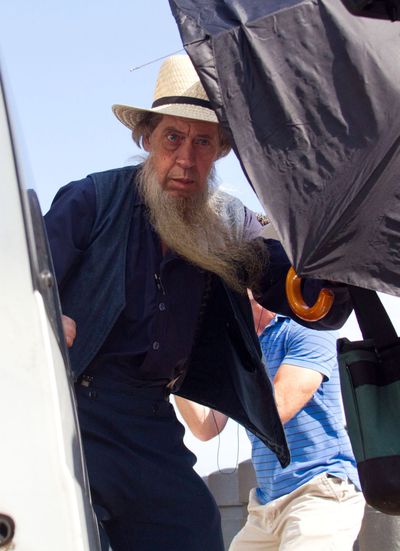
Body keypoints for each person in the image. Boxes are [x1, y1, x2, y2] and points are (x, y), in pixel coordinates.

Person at [47, 54, 352, 551]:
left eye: (203, 141)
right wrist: (46, 318)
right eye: (173, 137)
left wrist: (335, 268)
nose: (186, 159)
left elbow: (293, 288)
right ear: (147, 138)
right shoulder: (91, 200)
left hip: (149, 419)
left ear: (221, 151)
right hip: (78, 411)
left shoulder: (227, 222)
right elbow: (27, 279)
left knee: (194, 532)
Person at [176, 291, 365, 550]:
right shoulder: (243, 347)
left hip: (319, 493)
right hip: (266, 506)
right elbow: (206, 427)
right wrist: (176, 367)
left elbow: (280, 407)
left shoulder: (308, 327)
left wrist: (227, 373)